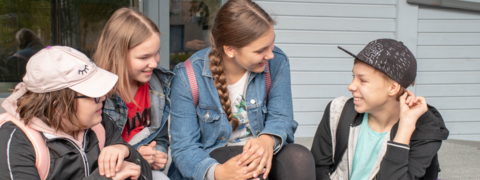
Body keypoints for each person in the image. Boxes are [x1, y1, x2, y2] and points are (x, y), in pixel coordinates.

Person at [167, 0, 315, 179]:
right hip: (213, 157)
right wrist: (218, 173)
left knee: (300, 157)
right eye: (260, 50)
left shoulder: (277, 62)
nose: (270, 54)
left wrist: (267, 140)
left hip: (261, 149)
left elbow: (281, 117)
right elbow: (184, 148)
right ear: (230, 49)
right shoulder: (188, 76)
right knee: (249, 172)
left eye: (272, 43)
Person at [0, 46, 152, 180]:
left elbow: (144, 175)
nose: (103, 98)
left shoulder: (100, 124)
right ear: (58, 107)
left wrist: (127, 151)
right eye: (94, 94)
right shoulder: (16, 140)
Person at [311, 39, 450, 180]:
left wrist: (406, 126)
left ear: (393, 88)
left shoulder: (425, 130)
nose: (351, 86)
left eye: (363, 80)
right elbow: (318, 168)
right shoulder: (338, 110)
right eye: (353, 77)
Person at [94, 8, 173, 179]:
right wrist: (135, 155)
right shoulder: (96, 95)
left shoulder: (157, 87)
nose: (154, 63)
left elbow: (160, 139)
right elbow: (91, 154)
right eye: (144, 57)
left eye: (156, 53)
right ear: (117, 55)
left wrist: (157, 156)